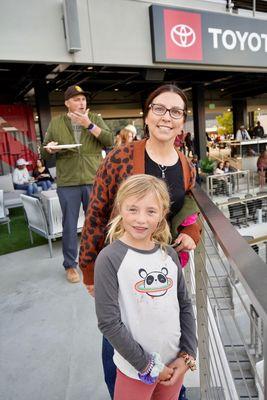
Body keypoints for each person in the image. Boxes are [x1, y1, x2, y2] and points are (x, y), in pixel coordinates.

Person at [79, 84, 200, 399]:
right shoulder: (120, 157)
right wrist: (90, 270)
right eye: (159, 108)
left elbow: (187, 205)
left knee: (162, 325)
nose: (166, 117)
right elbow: (95, 214)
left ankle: (169, 385)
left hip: (159, 262)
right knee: (119, 332)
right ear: (147, 115)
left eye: (175, 111)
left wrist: (191, 232)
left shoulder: (186, 165)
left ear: (182, 121)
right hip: (121, 266)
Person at [94, 174, 197, 400]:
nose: (141, 219)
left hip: (174, 365)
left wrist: (188, 353)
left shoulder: (168, 254)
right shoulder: (109, 258)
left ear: (162, 215)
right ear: (121, 208)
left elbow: (185, 305)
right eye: (133, 209)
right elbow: (108, 322)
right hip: (136, 371)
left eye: (151, 211)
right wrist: (148, 366)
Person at [41, 84, 113, 284]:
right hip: (68, 182)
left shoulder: (95, 119)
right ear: (67, 103)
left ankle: (99, 260)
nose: (81, 103)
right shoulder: (56, 123)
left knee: (97, 223)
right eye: (76, 99)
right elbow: (44, 152)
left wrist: (89, 124)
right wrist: (51, 149)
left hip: (93, 180)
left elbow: (110, 140)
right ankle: (70, 265)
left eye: (83, 99)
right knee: (70, 225)